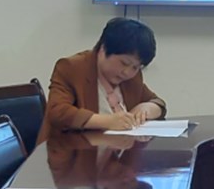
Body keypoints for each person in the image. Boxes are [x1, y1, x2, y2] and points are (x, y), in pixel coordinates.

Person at [37, 17, 166, 143]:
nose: (127, 72)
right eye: (124, 63)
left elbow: (157, 102)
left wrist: (147, 108)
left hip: (118, 151)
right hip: (70, 150)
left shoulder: (132, 77)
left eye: (136, 67)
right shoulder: (72, 68)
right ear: (103, 49)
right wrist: (108, 121)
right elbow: (58, 112)